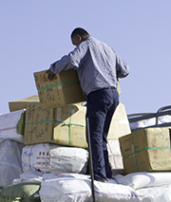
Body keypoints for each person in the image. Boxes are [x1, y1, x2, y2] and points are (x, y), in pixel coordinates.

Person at [48, 28, 129, 182]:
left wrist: (53, 69)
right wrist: (107, 70)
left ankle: (99, 176)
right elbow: (125, 70)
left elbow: (72, 59)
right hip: (113, 95)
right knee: (102, 137)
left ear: (79, 37)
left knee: (94, 136)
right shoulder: (107, 48)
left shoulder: (86, 45)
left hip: (98, 94)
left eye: (75, 43)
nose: (76, 46)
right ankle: (107, 173)